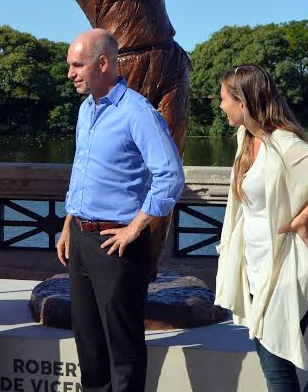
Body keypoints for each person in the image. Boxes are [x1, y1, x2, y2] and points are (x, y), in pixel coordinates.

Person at [49, 0, 197, 277]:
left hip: (166, 57)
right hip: (131, 67)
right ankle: (130, 266)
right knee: (140, 170)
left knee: (170, 160)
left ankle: (147, 270)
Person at [214, 64, 308, 391]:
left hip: (288, 268)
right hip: (257, 268)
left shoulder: (284, 144)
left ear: (243, 102)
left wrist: (303, 217)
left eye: (224, 99)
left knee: (275, 364)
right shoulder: (246, 138)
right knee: (270, 359)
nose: (220, 106)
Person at [56, 29, 184, 392]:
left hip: (117, 245)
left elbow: (171, 176)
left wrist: (136, 227)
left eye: (77, 65)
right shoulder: (86, 109)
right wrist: (68, 224)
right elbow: (83, 173)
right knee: (89, 349)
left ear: (103, 63)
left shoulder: (137, 112)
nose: (70, 73)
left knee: (123, 353)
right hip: (80, 241)